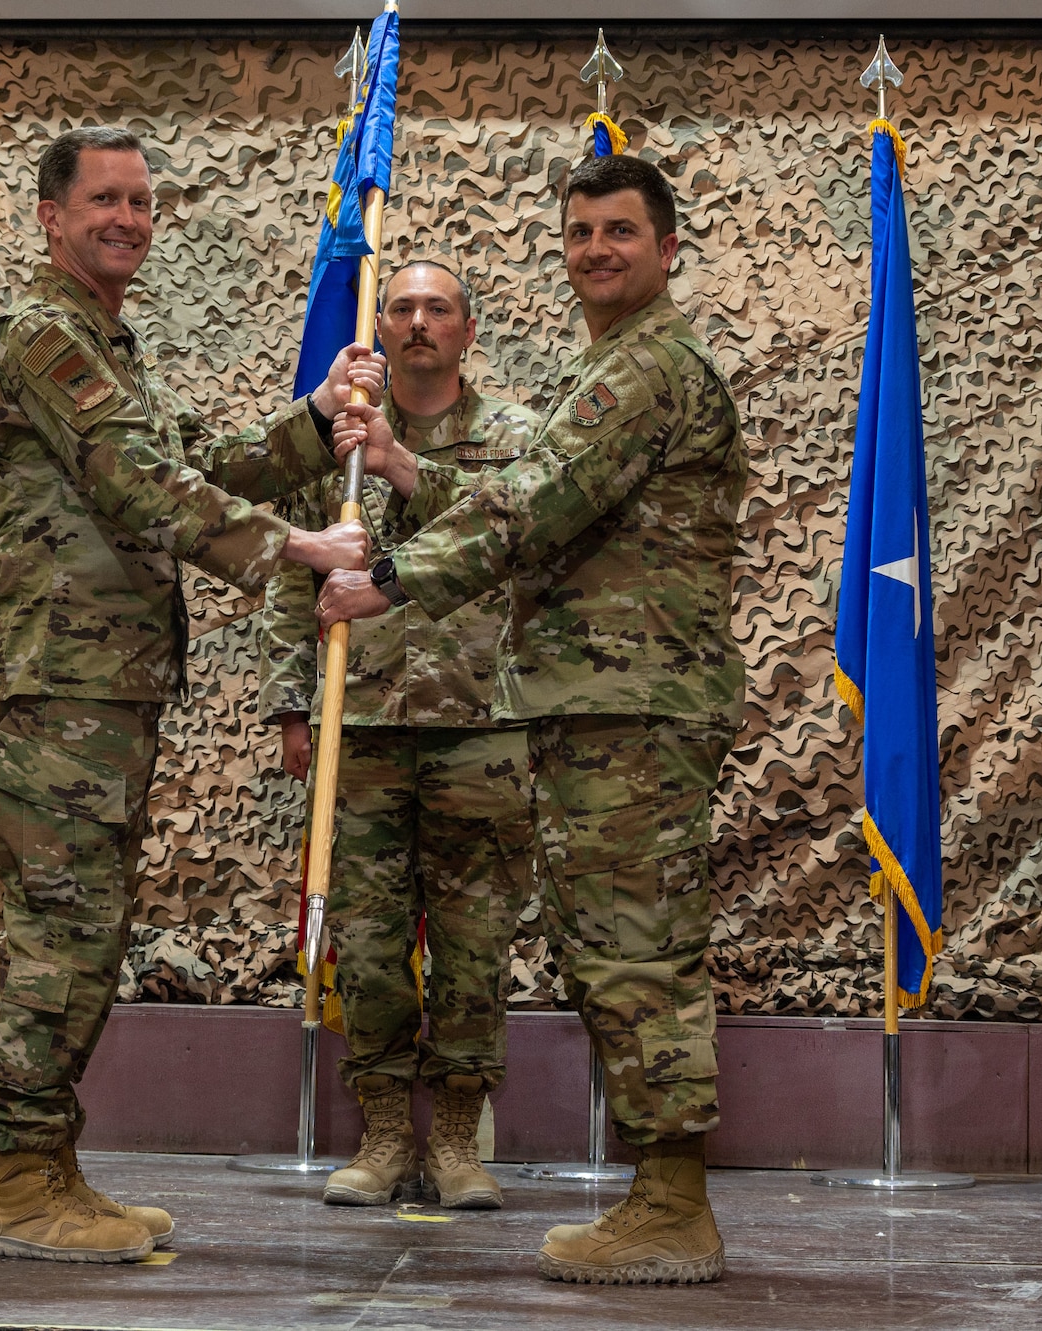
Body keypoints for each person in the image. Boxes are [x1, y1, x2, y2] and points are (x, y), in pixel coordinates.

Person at [318, 153, 744, 1285]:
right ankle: (660, 1194)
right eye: (577, 232)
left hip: (630, 705)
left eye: (618, 231)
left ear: (666, 248)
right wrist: (405, 488)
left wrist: (389, 584)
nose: (595, 249)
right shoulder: (609, 366)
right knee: (610, 953)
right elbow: (525, 504)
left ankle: (671, 1205)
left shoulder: (646, 367)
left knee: (638, 954)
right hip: (598, 703)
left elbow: (532, 504)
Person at [0, 125, 388, 1263]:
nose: (127, 218)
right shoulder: (41, 337)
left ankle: (51, 1169)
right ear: (50, 218)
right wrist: (300, 547)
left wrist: (314, 419)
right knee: (57, 936)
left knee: (87, 936)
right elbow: (135, 480)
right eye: (103, 200)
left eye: (142, 201)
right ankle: (16, 1183)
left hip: (108, 688)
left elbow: (196, 461)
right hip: (61, 684)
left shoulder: (110, 347)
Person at [259, 260, 541, 1212]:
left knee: (474, 939)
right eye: (401, 307)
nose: (419, 322)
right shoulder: (333, 443)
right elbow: (291, 588)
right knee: (369, 941)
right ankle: (384, 1133)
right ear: (377, 327)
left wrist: (396, 464)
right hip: (365, 725)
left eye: (439, 309)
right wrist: (296, 709)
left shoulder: (517, 437)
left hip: (482, 724)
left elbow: (511, 538)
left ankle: (457, 1139)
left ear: (470, 330)